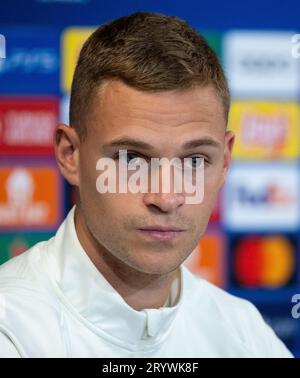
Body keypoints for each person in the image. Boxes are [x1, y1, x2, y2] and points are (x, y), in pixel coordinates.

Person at [0, 12, 293, 357]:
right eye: (132, 159)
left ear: (225, 162)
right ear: (70, 155)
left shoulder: (245, 332)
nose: (167, 197)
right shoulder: (12, 330)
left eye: (194, 161)